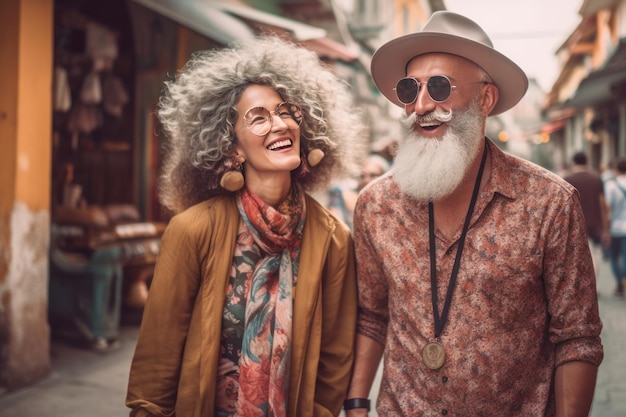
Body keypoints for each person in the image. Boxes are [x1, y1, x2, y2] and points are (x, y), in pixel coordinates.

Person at [345, 11, 603, 417]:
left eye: (442, 87)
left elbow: (576, 337)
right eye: (411, 88)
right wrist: (357, 404)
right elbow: (372, 316)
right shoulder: (375, 206)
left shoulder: (549, 203)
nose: (423, 104)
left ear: (485, 98)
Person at [126, 36, 364, 417]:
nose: (280, 124)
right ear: (232, 147)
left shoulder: (334, 239)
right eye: (259, 117)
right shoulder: (191, 230)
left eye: (287, 111)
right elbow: (160, 350)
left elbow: (336, 355)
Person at [563, 151, 610, 285]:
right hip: (595, 224)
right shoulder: (596, 178)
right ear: (586, 162)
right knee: (595, 255)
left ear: (574, 163)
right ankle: (592, 284)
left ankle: (581, 284)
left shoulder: (567, 179)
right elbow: (603, 205)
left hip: (574, 225)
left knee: (575, 258)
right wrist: (606, 229)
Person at [327, 153, 390, 230]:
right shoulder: (346, 194)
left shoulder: (390, 203)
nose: (366, 180)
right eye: (363, 176)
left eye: (373, 175)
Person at [604, 157, 626, 297]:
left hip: (615, 228)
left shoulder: (611, 186)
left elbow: (608, 209)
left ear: (616, 169)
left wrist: (606, 230)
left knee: (614, 257)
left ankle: (620, 283)